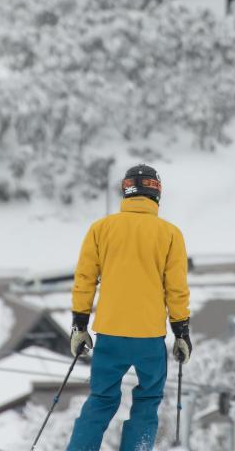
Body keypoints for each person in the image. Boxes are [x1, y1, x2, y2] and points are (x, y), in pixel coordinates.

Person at [66, 163, 192, 451]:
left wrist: (79, 326)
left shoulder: (101, 229)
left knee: (101, 399)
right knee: (147, 401)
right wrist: (181, 332)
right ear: (156, 192)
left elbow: (85, 279)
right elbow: (176, 289)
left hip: (110, 333)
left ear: (126, 190)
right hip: (149, 337)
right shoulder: (170, 234)